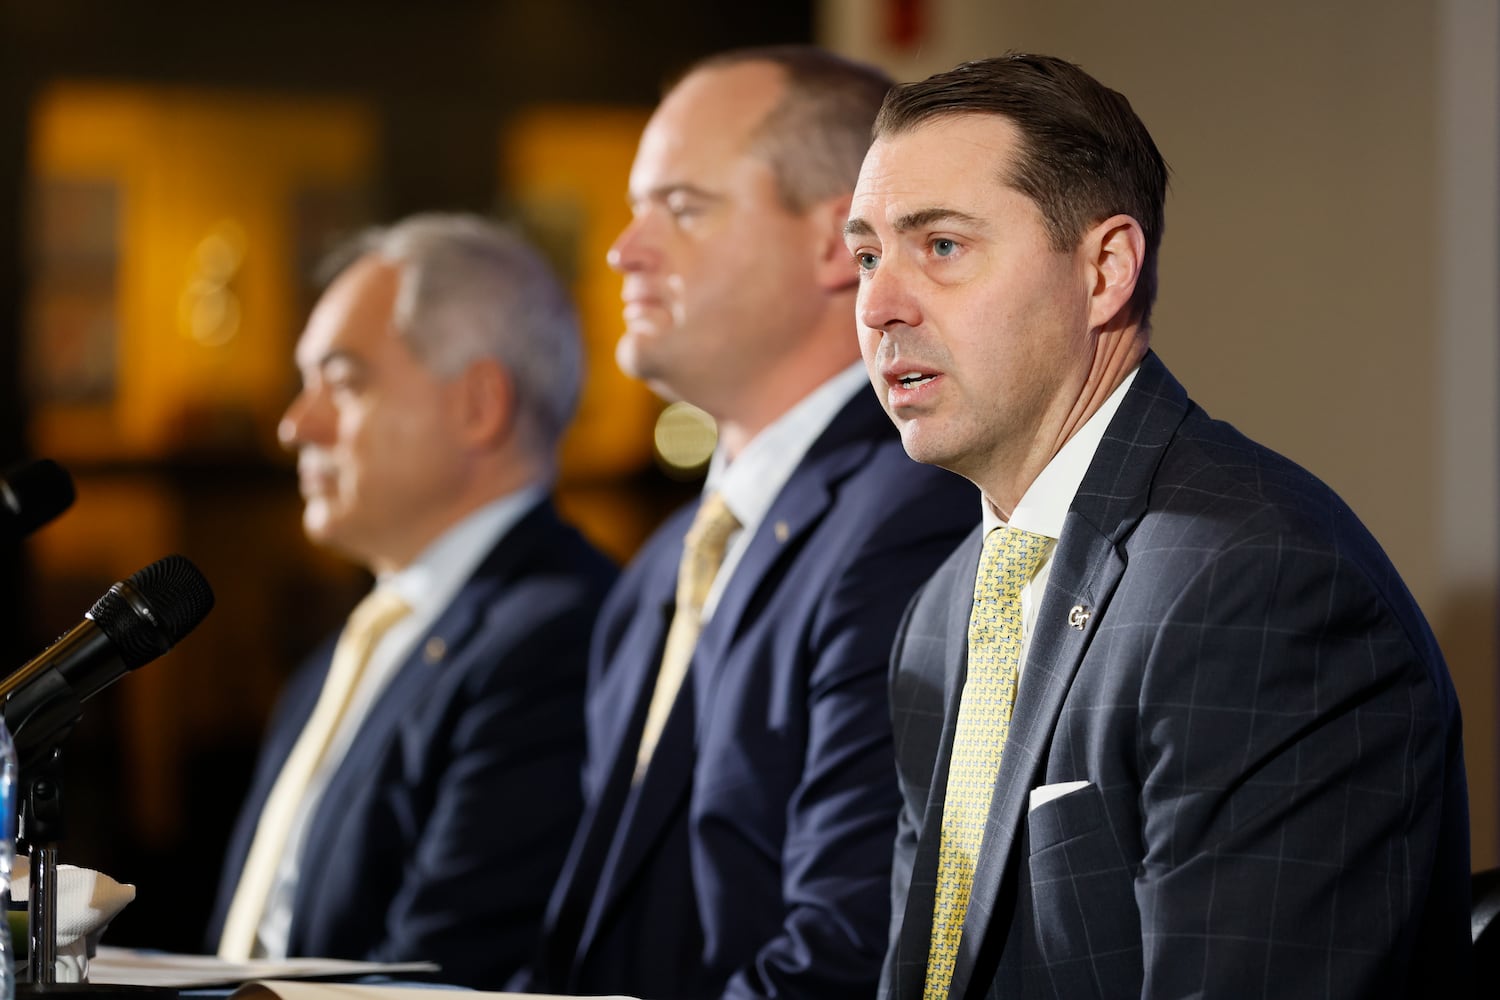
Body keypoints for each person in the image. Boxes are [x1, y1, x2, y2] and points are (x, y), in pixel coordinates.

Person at [843, 54, 1472, 999]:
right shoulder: (941, 612)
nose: (879, 305)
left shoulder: (1262, 581)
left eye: (940, 247)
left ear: (1105, 270)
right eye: (865, 255)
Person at [526, 47, 978, 1000]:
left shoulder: (911, 515)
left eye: (681, 207)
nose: (624, 248)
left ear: (833, 245)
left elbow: (851, 950)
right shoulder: (657, 569)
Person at [206, 214, 616, 989]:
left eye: (345, 381)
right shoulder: (353, 644)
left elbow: (439, 973)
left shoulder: (559, 638)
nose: (298, 425)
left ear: (478, 405)